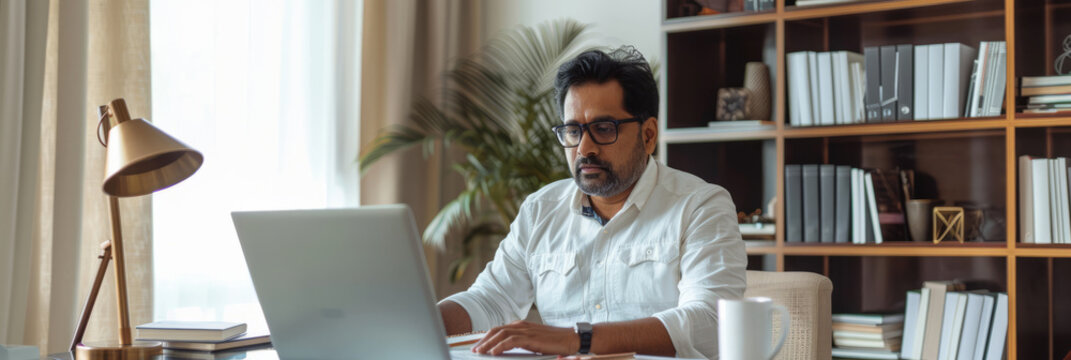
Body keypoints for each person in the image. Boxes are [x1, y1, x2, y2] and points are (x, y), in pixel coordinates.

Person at [437, 46, 746, 359]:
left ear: (648, 135)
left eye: (603, 129)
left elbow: (709, 323)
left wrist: (578, 339)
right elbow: (491, 300)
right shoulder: (541, 209)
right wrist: (425, 321)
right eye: (573, 130)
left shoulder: (702, 206)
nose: (584, 148)